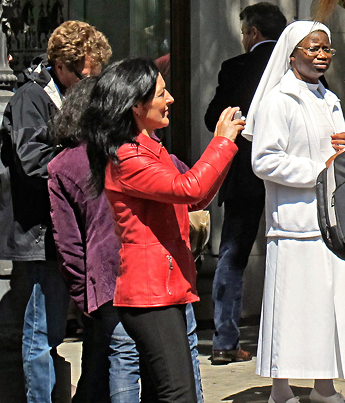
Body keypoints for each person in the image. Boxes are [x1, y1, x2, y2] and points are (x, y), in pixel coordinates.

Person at [86, 57, 243, 403]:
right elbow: (190, 189)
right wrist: (221, 143)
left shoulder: (149, 149)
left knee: (163, 394)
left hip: (164, 289)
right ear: (135, 105)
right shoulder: (128, 156)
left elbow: (194, 198)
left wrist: (223, 151)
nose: (170, 98)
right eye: (160, 93)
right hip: (149, 295)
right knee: (179, 394)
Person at [0, 20, 111, 403]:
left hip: (76, 229)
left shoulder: (74, 93)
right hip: (41, 234)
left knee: (79, 327)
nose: (89, 84)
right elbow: (32, 161)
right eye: (85, 75)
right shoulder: (31, 98)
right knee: (40, 332)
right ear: (62, 65)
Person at [246, 21, 345, 403]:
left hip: (332, 220)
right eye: (314, 48)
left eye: (327, 49)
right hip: (295, 221)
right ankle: (281, 388)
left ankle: (324, 386)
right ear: (292, 54)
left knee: (327, 309)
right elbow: (263, 160)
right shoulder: (280, 99)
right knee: (292, 312)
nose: (323, 55)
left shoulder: (330, 99)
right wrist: (319, 172)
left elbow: (336, 153)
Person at [47, 76, 139, 403]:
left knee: (111, 355)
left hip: (103, 280)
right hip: (141, 266)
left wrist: (82, 297)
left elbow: (68, 244)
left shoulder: (62, 165)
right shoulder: (128, 149)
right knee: (125, 357)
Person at [205, 1, 287, 365]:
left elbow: (213, 119)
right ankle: (286, 341)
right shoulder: (294, 66)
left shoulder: (235, 68)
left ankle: (224, 340)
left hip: (244, 173)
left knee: (232, 256)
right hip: (287, 177)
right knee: (288, 252)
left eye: (243, 32)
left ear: (253, 32)